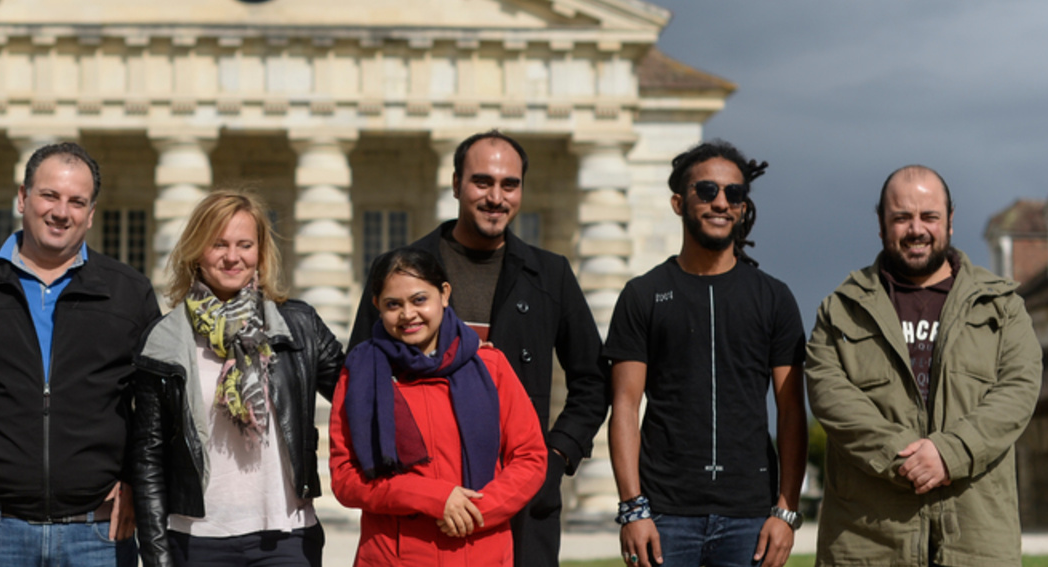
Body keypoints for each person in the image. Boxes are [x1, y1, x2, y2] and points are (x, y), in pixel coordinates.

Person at [346, 130, 607, 567]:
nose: (496, 197)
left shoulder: (551, 274)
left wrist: (555, 455)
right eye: (482, 182)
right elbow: (358, 376)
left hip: (522, 495)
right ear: (454, 185)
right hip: (423, 500)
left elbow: (593, 379)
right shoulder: (402, 269)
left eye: (510, 184)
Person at [0, 141, 160, 567]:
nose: (61, 212)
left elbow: (155, 408)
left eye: (76, 201)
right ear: (22, 198)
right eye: (49, 195)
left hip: (98, 534)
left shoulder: (130, 293)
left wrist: (136, 483)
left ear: (90, 212)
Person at [806, 165, 1042, 567]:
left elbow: (1018, 390)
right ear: (881, 225)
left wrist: (951, 453)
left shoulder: (1002, 306)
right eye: (902, 217)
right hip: (868, 541)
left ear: (950, 221)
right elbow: (830, 396)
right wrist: (905, 458)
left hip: (975, 540)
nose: (917, 228)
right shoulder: (841, 309)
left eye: (929, 216)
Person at [605, 141, 806, 567]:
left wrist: (786, 511)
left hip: (750, 516)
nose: (721, 202)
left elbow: (791, 411)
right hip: (663, 515)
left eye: (734, 194)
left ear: (744, 208)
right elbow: (624, 405)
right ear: (679, 203)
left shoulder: (774, 298)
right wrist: (632, 508)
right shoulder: (641, 295)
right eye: (707, 190)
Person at [130, 189, 345, 567]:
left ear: (260, 252)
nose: (233, 257)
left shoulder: (299, 325)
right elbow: (148, 458)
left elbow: (359, 394)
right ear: (197, 251)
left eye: (245, 244)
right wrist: (156, 556)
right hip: (196, 540)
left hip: (286, 537)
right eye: (219, 244)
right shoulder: (164, 339)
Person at [331, 248, 549, 567]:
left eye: (420, 299)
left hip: (482, 552)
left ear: (444, 294)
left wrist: (476, 510)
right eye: (394, 304)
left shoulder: (491, 367)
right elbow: (345, 477)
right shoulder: (361, 373)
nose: (408, 314)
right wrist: (432, 498)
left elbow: (530, 458)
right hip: (393, 557)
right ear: (376, 305)